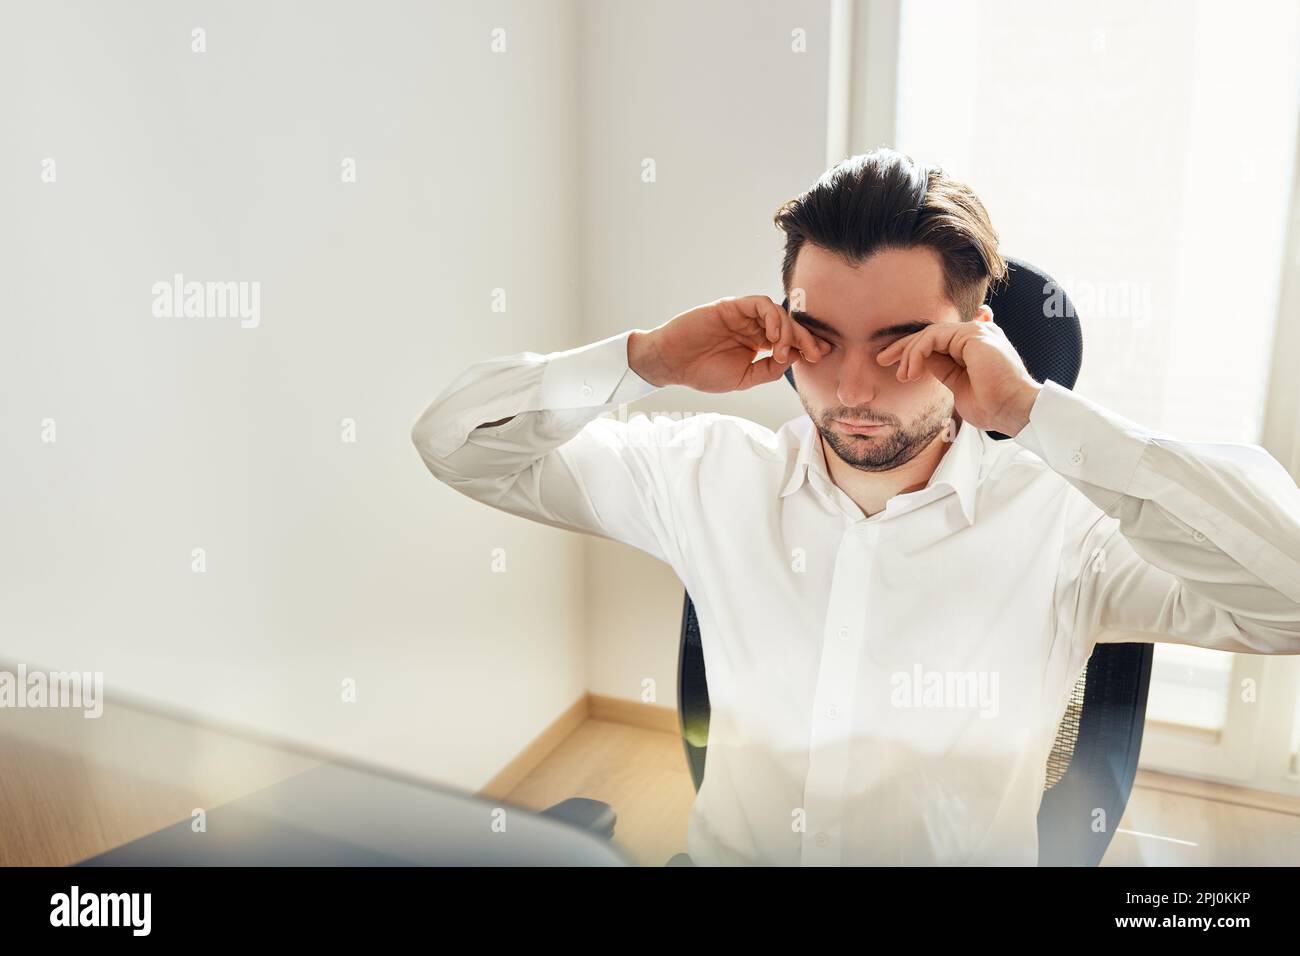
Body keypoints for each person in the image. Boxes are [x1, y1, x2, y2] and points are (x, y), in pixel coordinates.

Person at [410, 147, 1300, 866]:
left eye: (900, 344)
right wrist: (644, 361)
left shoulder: (1067, 522)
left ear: (974, 332)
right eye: (822, 341)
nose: (850, 387)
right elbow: (456, 444)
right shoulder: (704, 473)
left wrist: (1035, 414)